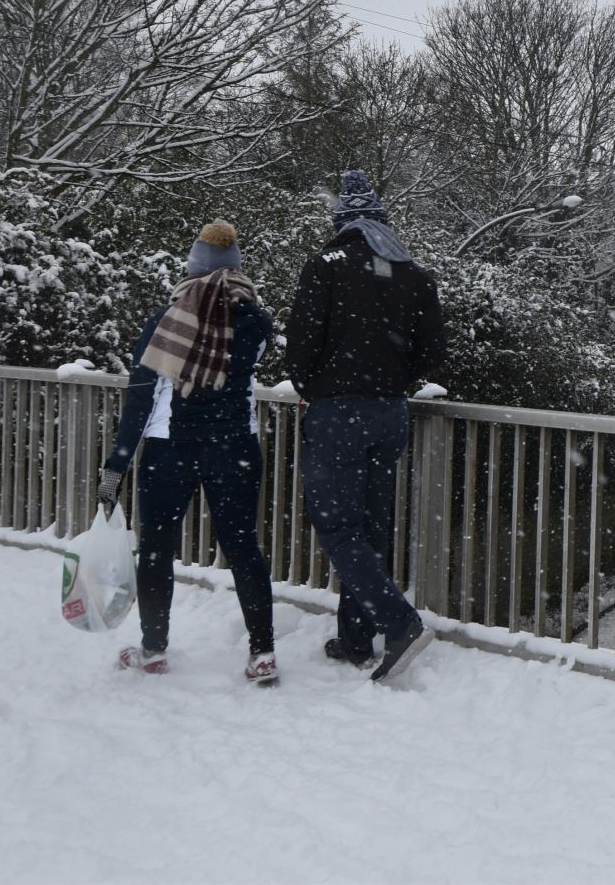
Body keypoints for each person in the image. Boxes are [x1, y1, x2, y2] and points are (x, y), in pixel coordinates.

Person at [285, 170, 450, 683]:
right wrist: (395, 378)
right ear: (381, 220)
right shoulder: (413, 273)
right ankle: (356, 638)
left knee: (338, 527)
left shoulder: (326, 266)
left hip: (338, 412)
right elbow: (434, 349)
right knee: (372, 527)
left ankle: (400, 623)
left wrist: (313, 385)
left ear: (343, 221)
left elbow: (302, 341)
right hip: (389, 413)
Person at [98, 220, 279, 685]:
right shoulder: (257, 321)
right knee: (243, 548)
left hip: (168, 448)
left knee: (156, 549)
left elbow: (141, 395)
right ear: (236, 268)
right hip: (235, 447)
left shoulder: (166, 321)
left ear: (192, 267)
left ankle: (154, 649)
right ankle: (262, 653)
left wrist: (116, 465)